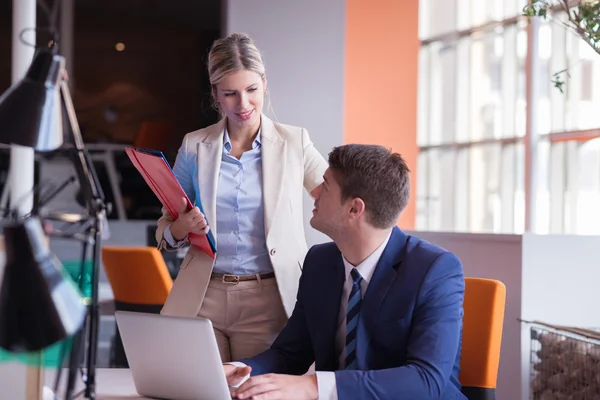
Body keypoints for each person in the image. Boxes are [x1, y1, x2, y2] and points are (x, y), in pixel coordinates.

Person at [224, 144, 467, 400]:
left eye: (326, 186)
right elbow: (290, 353)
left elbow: (425, 380)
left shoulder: (436, 271)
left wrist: (314, 386)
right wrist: (238, 371)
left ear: (354, 209)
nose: (315, 193)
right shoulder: (319, 262)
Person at [155, 33, 328, 362]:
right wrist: (180, 229)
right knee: (199, 391)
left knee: (255, 392)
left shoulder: (295, 142)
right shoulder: (194, 146)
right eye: (230, 94)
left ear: (264, 83)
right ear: (216, 95)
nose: (243, 104)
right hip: (202, 296)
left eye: (251, 90)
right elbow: (165, 226)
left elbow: (334, 198)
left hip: (267, 299)